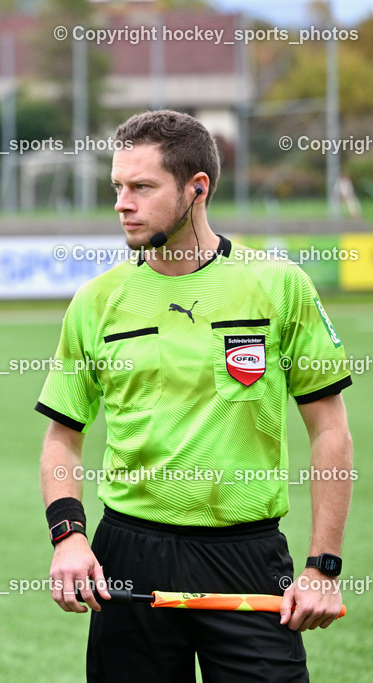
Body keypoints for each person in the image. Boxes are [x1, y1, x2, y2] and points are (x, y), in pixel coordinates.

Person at [36, 109, 353, 681]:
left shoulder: (278, 286)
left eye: (141, 187)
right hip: (130, 553)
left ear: (196, 188)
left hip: (248, 557)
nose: (122, 204)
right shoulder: (95, 301)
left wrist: (323, 567)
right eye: (117, 187)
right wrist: (70, 536)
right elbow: (62, 437)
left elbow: (330, 430)